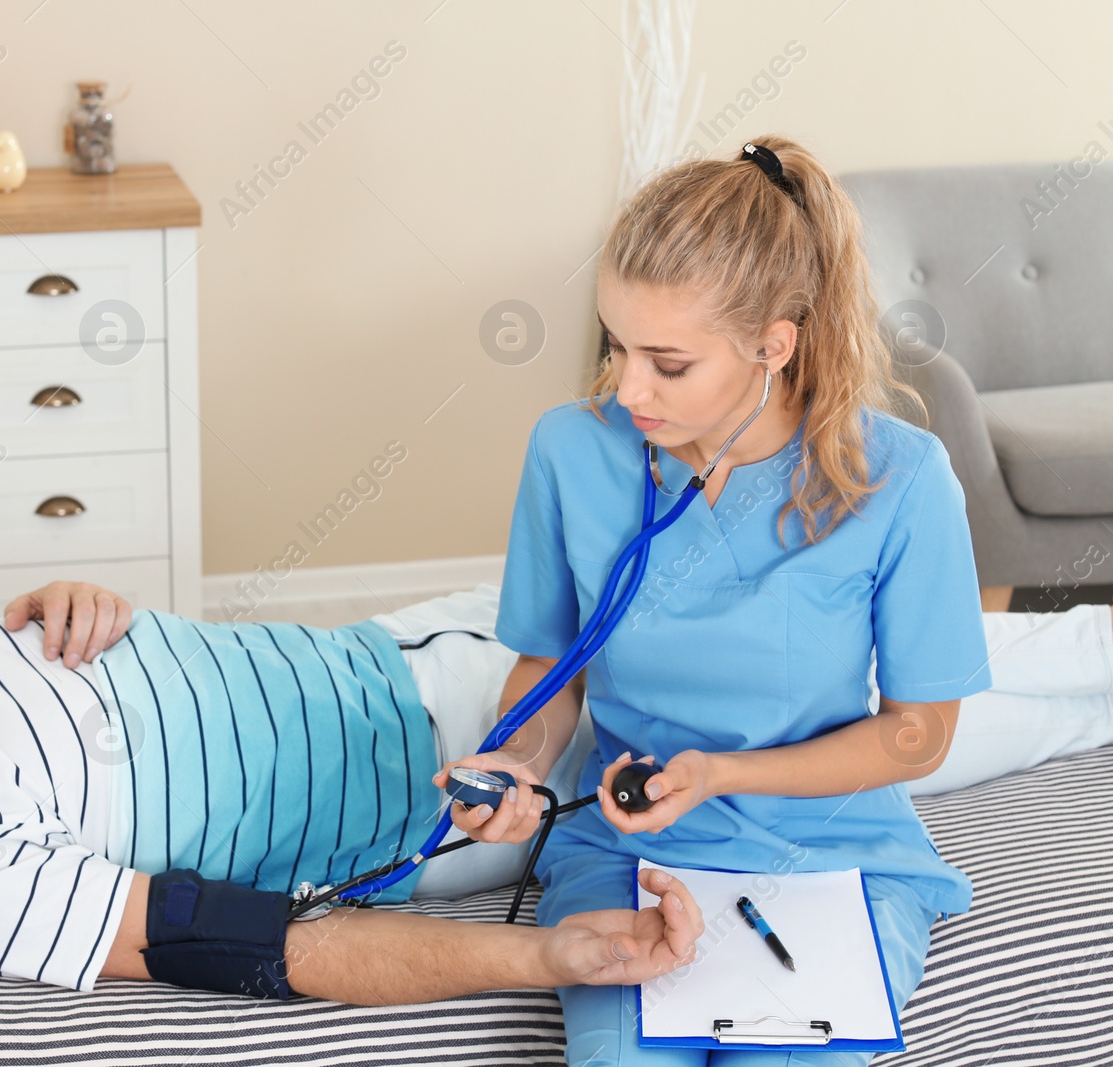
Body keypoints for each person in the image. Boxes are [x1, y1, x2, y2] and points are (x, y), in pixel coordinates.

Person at [435, 134, 1028, 1065]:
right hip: (626, 847)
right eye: (618, 345)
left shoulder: (901, 479)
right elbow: (551, 671)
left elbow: (922, 732)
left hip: (834, 852)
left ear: (772, 346)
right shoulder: (571, 451)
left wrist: (719, 775)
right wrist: (515, 761)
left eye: (668, 364)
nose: (628, 388)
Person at [0, 579, 705, 1006]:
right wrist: (550, 957)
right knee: (761, 742)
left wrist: (83, 599)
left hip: (420, 651)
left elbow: (47, 657)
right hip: (464, 789)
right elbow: (272, 945)